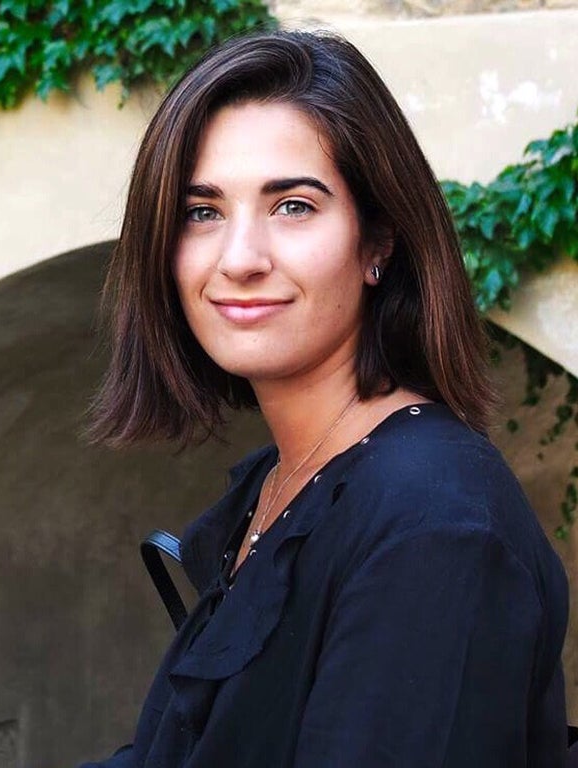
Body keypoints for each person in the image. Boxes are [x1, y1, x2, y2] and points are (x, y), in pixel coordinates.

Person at [83, 29, 569, 767]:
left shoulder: (432, 522)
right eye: (202, 212)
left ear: (378, 241)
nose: (240, 259)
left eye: (294, 206)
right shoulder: (281, 484)